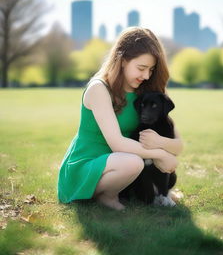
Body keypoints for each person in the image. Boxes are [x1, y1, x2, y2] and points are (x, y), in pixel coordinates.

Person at [57, 27, 183, 211]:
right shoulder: (99, 89)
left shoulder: (145, 93)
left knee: (133, 161)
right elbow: (117, 144)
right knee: (133, 162)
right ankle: (106, 197)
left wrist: (161, 143)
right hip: (87, 164)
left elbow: (178, 144)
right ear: (123, 60)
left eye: (151, 69)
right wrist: (161, 154)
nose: (146, 75)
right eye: (141, 68)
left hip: (118, 164)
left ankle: (126, 190)